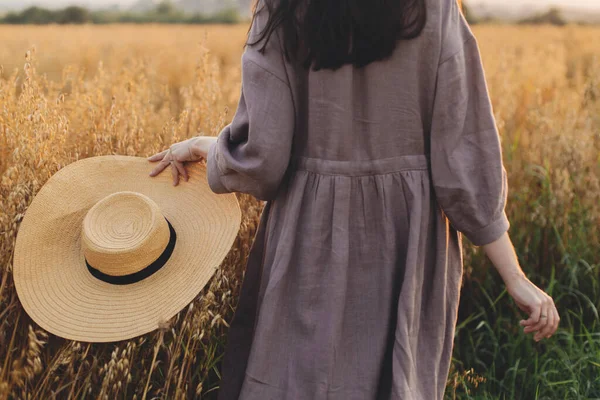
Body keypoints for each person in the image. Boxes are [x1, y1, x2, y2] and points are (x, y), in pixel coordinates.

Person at [148, 0, 560, 398]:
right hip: (406, 243)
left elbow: (264, 157)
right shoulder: (433, 7)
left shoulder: (281, 8)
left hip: (306, 240)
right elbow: (466, 160)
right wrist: (515, 277)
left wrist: (209, 147)